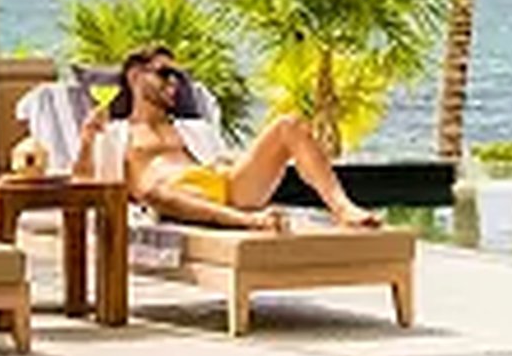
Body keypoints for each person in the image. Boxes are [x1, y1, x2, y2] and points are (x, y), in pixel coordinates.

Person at [74, 43, 382, 231]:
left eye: (178, 77)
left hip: (227, 186)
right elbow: (82, 185)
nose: (174, 83)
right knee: (154, 191)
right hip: (171, 199)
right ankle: (246, 222)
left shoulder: (191, 128)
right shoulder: (115, 134)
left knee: (289, 124)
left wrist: (236, 163)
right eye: (165, 73)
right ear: (135, 76)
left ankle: (343, 208)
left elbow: (218, 158)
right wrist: (87, 141)